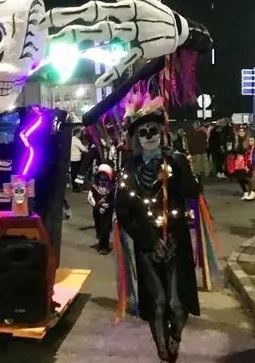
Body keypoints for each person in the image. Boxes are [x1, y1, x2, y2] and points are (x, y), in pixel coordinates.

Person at [115, 94, 200, 362]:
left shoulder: (174, 161)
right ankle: (163, 350)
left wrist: (177, 163)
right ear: (136, 138)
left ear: (162, 133)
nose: (150, 135)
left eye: (154, 131)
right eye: (144, 132)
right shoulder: (129, 169)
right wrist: (148, 239)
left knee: (177, 302)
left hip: (176, 241)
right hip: (148, 246)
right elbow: (123, 211)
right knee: (159, 302)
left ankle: (177, 335)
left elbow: (192, 193)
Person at [87, 164, 114, 255]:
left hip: (107, 210)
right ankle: (101, 242)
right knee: (98, 226)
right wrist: (96, 206)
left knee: (105, 227)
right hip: (97, 209)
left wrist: (108, 205)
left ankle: (105, 246)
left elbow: (115, 198)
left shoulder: (113, 186)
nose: (103, 177)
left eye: (105, 175)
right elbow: (90, 197)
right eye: (101, 174)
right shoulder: (95, 184)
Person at [226, 125, 255, 200]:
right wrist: (231, 150)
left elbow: (250, 150)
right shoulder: (236, 140)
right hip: (237, 162)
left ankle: (252, 190)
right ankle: (245, 192)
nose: (241, 133)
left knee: (245, 177)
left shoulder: (248, 140)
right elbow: (233, 150)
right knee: (239, 178)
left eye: (243, 131)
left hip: (245, 161)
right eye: (240, 131)